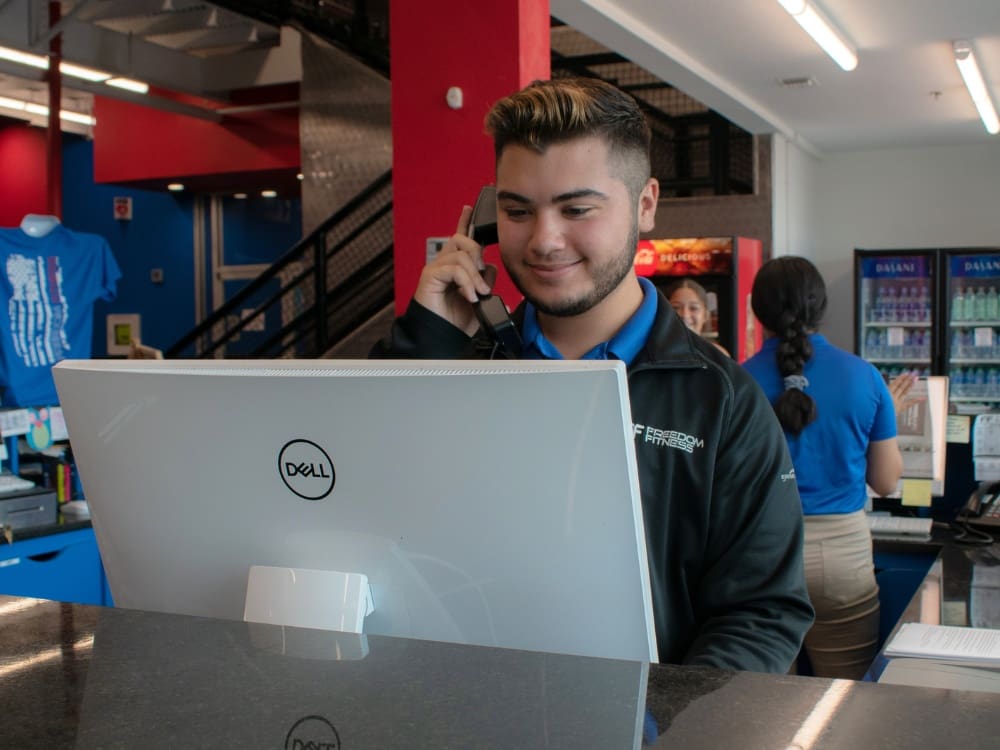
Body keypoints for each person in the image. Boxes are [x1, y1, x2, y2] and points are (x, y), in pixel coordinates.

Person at [372, 77, 813, 672]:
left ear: (645, 204)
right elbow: (366, 522)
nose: (544, 240)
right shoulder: (457, 368)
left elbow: (761, 613)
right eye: (516, 211)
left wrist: (665, 725)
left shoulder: (722, 402)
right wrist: (428, 344)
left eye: (576, 209)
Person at [743, 256, 914, 679]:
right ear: (819, 307)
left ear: (756, 309)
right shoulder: (865, 377)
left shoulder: (736, 381)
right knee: (844, 700)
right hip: (843, 559)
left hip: (764, 556)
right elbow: (887, 481)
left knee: (761, 707)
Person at [665, 278, 730, 356]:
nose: (685, 315)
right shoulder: (655, 354)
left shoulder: (718, 355)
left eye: (693, 308)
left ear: (705, 315)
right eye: (676, 308)